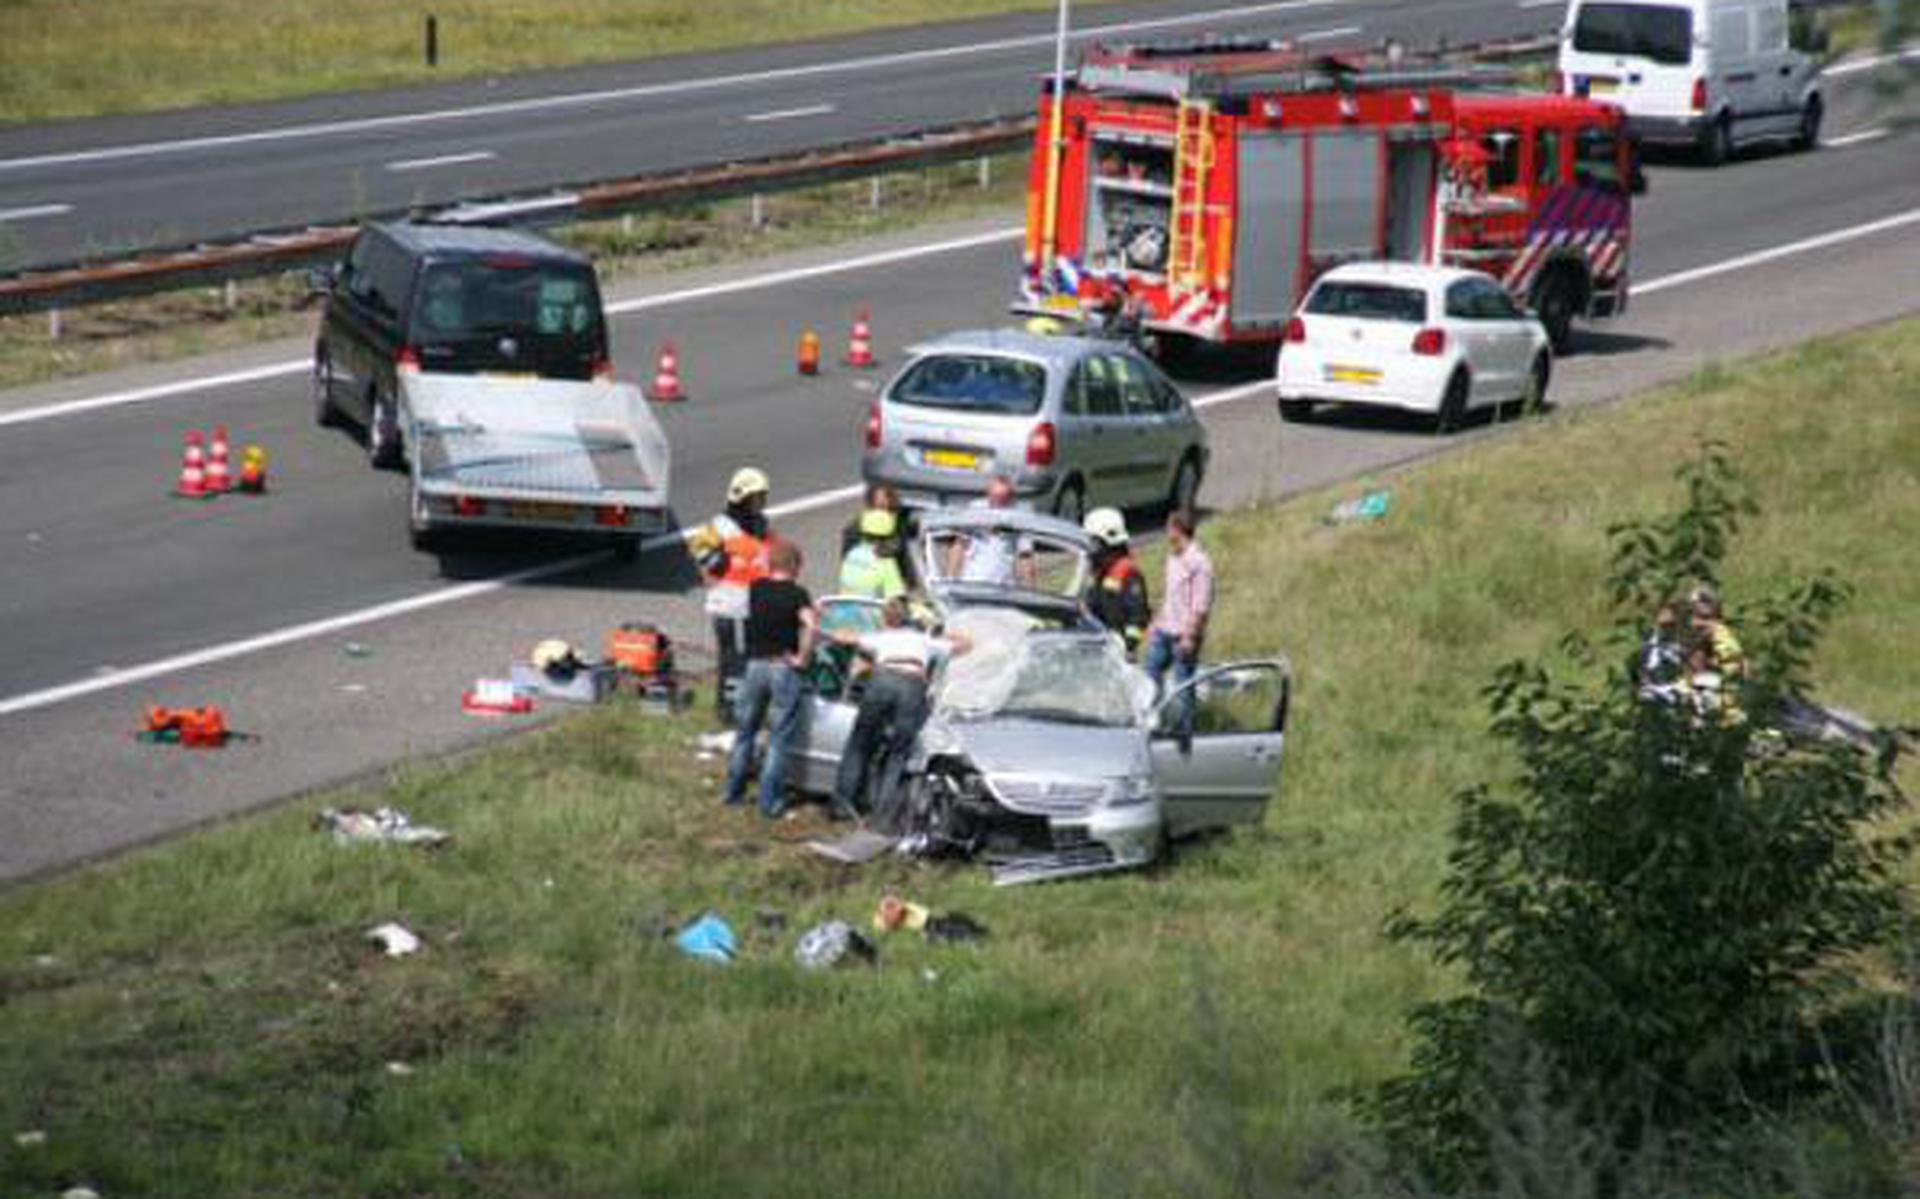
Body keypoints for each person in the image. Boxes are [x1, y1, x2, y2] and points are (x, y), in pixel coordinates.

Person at [830, 598, 972, 829]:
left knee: (859, 743)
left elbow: (842, 637)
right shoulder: (923, 640)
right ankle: (883, 816)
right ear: (909, 619)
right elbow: (966, 646)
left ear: (886, 619)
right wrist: (947, 631)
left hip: (882, 679)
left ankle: (841, 805)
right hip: (912, 684)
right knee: (898, 752)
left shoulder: (880, 637)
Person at [724, 539, 816, 819]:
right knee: (778, 738)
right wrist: (803, 656)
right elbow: (812, 625)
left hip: (754, 665)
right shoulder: (798, 594)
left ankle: (734, 793)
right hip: (782, 666)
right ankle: (768, 802)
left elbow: (733, 614)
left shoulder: (754, 589)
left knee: (745, 732)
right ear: (794, 566)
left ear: (771, 564)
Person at [688, 467, 771, 725]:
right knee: (733, 661)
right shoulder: (721, 526)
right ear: (742, 498)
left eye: (763, 496)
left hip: (752, 605)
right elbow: (698, 546)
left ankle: (741, 708)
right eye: (757, 497)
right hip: (728, 606)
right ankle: (729, 713)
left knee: (746, 660)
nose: (761, 502)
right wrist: (717, 561)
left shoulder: (761, 524)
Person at [1143, 508, 1214, 729]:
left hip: (1183, 634)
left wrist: (1190, 636)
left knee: (1183, 684)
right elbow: (1169, 596)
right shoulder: (1172, 558)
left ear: (1177, 530)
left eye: (1168, 528)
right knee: (1150, 674)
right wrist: (1156, 621)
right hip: (1165, 629)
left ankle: (1185, 731)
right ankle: (1151, 720)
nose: (1166, 532)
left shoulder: (1199, 563)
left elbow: (1200, 605)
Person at [1082, 507, 1150, 659]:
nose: (1090, 549)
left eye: (1093, 542)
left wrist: (1128, 645)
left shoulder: (1128, 574)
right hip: (1097, 644)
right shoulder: (1101, 571)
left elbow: (1138, 616)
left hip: (1116, 650)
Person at [946, 475, 1035, 587]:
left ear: (1011, 498)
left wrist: (1030, 587)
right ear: (988, 494)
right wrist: (949, 579)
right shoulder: (975, 510)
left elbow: (1025, 555)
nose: (998, 504)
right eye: (995, 498)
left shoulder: (1019, 516)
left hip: (1004, 586)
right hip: (972, 582)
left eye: (1003, 499)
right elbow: (959, 545)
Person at [838, 508, 910, 600]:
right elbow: (897, 601)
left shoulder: (852, 554)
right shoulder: (886, 563)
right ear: (885, 538)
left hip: (846, 611)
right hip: (872, 612)